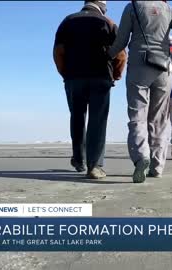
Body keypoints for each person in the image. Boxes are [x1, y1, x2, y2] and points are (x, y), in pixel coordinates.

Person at [107, 0, 172, 183]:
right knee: (159, 120)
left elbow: (121, 41)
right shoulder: (169, 9)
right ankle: (157, 166)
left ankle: (140, 157)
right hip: (163, 68)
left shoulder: (133, 7)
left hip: (139, 67)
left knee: (138, 116)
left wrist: (108, 55)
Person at [53, 0, 127, 179]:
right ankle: (94, 166)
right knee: (97, 120)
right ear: (102, 6)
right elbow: (121, 54)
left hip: (74, 77)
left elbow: (58, 51)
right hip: (101, 76)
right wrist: (115, 75)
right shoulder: (108, 23)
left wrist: (65, 74)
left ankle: (79, 160)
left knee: (77, 117)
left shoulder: (67, 21)